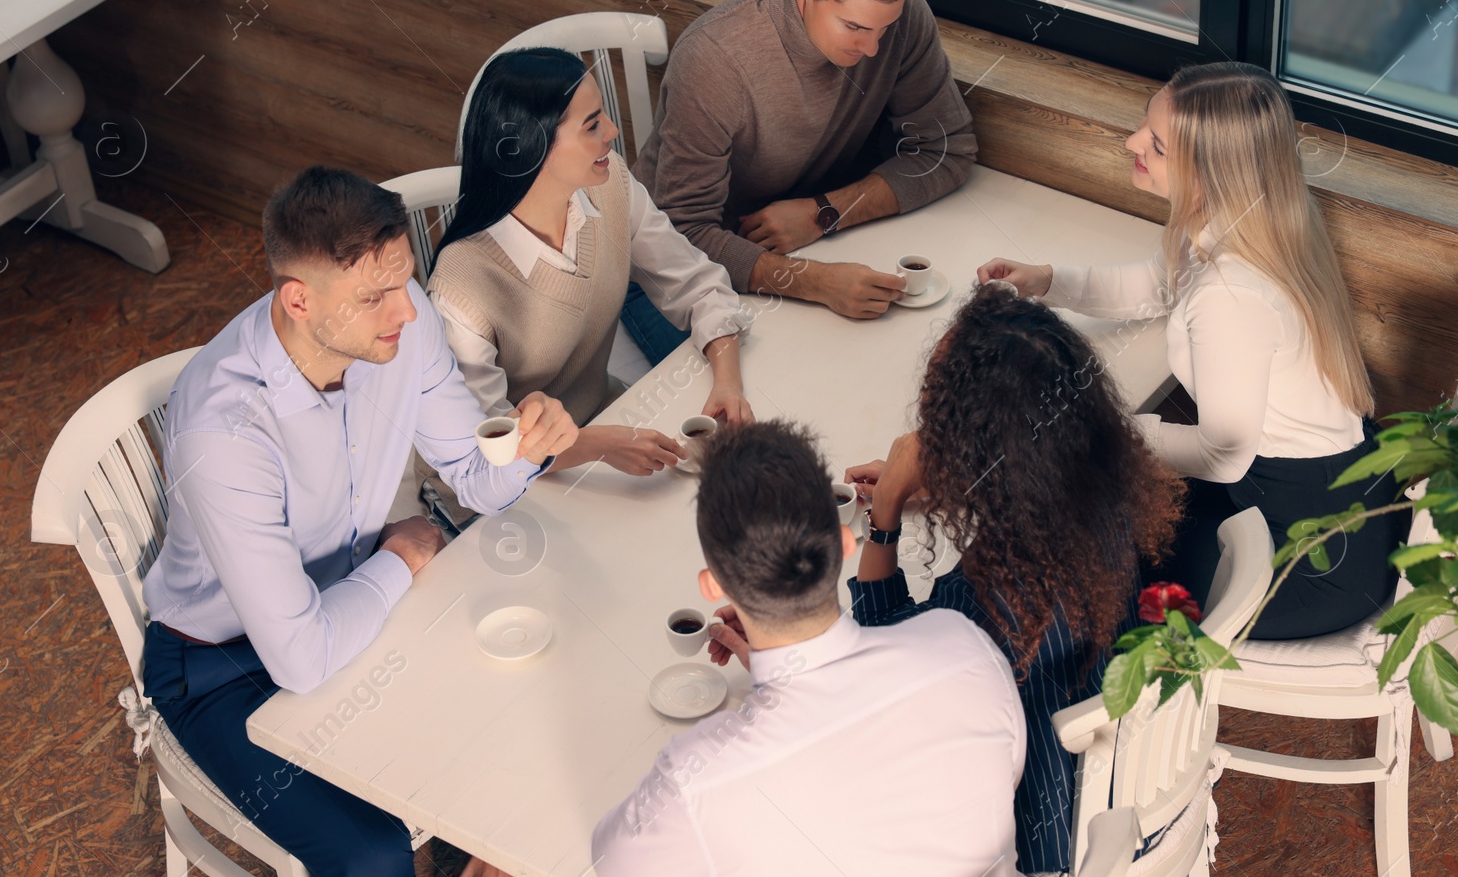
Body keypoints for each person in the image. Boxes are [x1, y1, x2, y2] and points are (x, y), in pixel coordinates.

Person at [141, 166, 578, 877]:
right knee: (369, 851)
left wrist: (531, 446)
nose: (406, 313)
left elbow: (475, 477)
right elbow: (302, 656)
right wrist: (400, 560)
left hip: (358, 603)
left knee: (524, 708)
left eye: (404, 281)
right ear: (298, 299)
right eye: (374, 297)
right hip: (221, 665)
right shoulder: (224, 432)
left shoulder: (401, 328)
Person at [978, 61, 1406, 640]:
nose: (1132, 143)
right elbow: (1158, 284)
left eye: (1156, 145)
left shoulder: (1233, 293)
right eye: (1143, 126)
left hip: (1311, 557)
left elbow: (1224, 454)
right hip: (1324, 493)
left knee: (1092, 563)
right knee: (1103, 511)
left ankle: (1097, 712)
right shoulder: (1253, 217)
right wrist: (1049, 280)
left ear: (1208, 176)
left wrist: (1108, 431)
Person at [848, 284, 1185, 876]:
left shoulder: (979, 604)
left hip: (1045, 839)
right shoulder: (1117, 494)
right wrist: (961, 479)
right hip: (1138, 792)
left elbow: (878, 656)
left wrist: (889, 510)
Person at [592, 420, 1026, 876]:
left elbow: (609, 861)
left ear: (714, 585)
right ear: (843, 547)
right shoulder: (965, 645)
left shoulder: (692, 782)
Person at [629, 0, 977, 347]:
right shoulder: (714, 61)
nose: (873, 49)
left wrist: (825, 213)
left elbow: (945, 148)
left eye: (884, 29)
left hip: (808, 245)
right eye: (854, 27)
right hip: (670, 277)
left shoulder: (904, 13)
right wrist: (814, 282)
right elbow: (682, 235)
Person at [428, 47, 753, 478]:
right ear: (531, 145)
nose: (614, 131)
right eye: (593, 124)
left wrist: (728, 381)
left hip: (603, 423)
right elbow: (489, 445)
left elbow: (696, 283)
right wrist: (598, 445)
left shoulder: (609, 184)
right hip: (499, 494)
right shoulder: (461, 284)